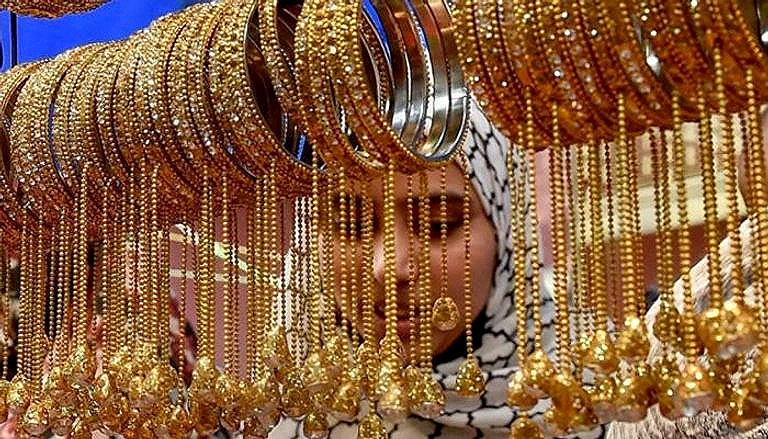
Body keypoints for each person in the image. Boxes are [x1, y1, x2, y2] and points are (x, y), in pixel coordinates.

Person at [268, 102, 607, 438]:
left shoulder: (597, 392)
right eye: (351, 225)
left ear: (506, 229)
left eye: (437, 224)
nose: (389, 268)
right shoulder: (294, 405)